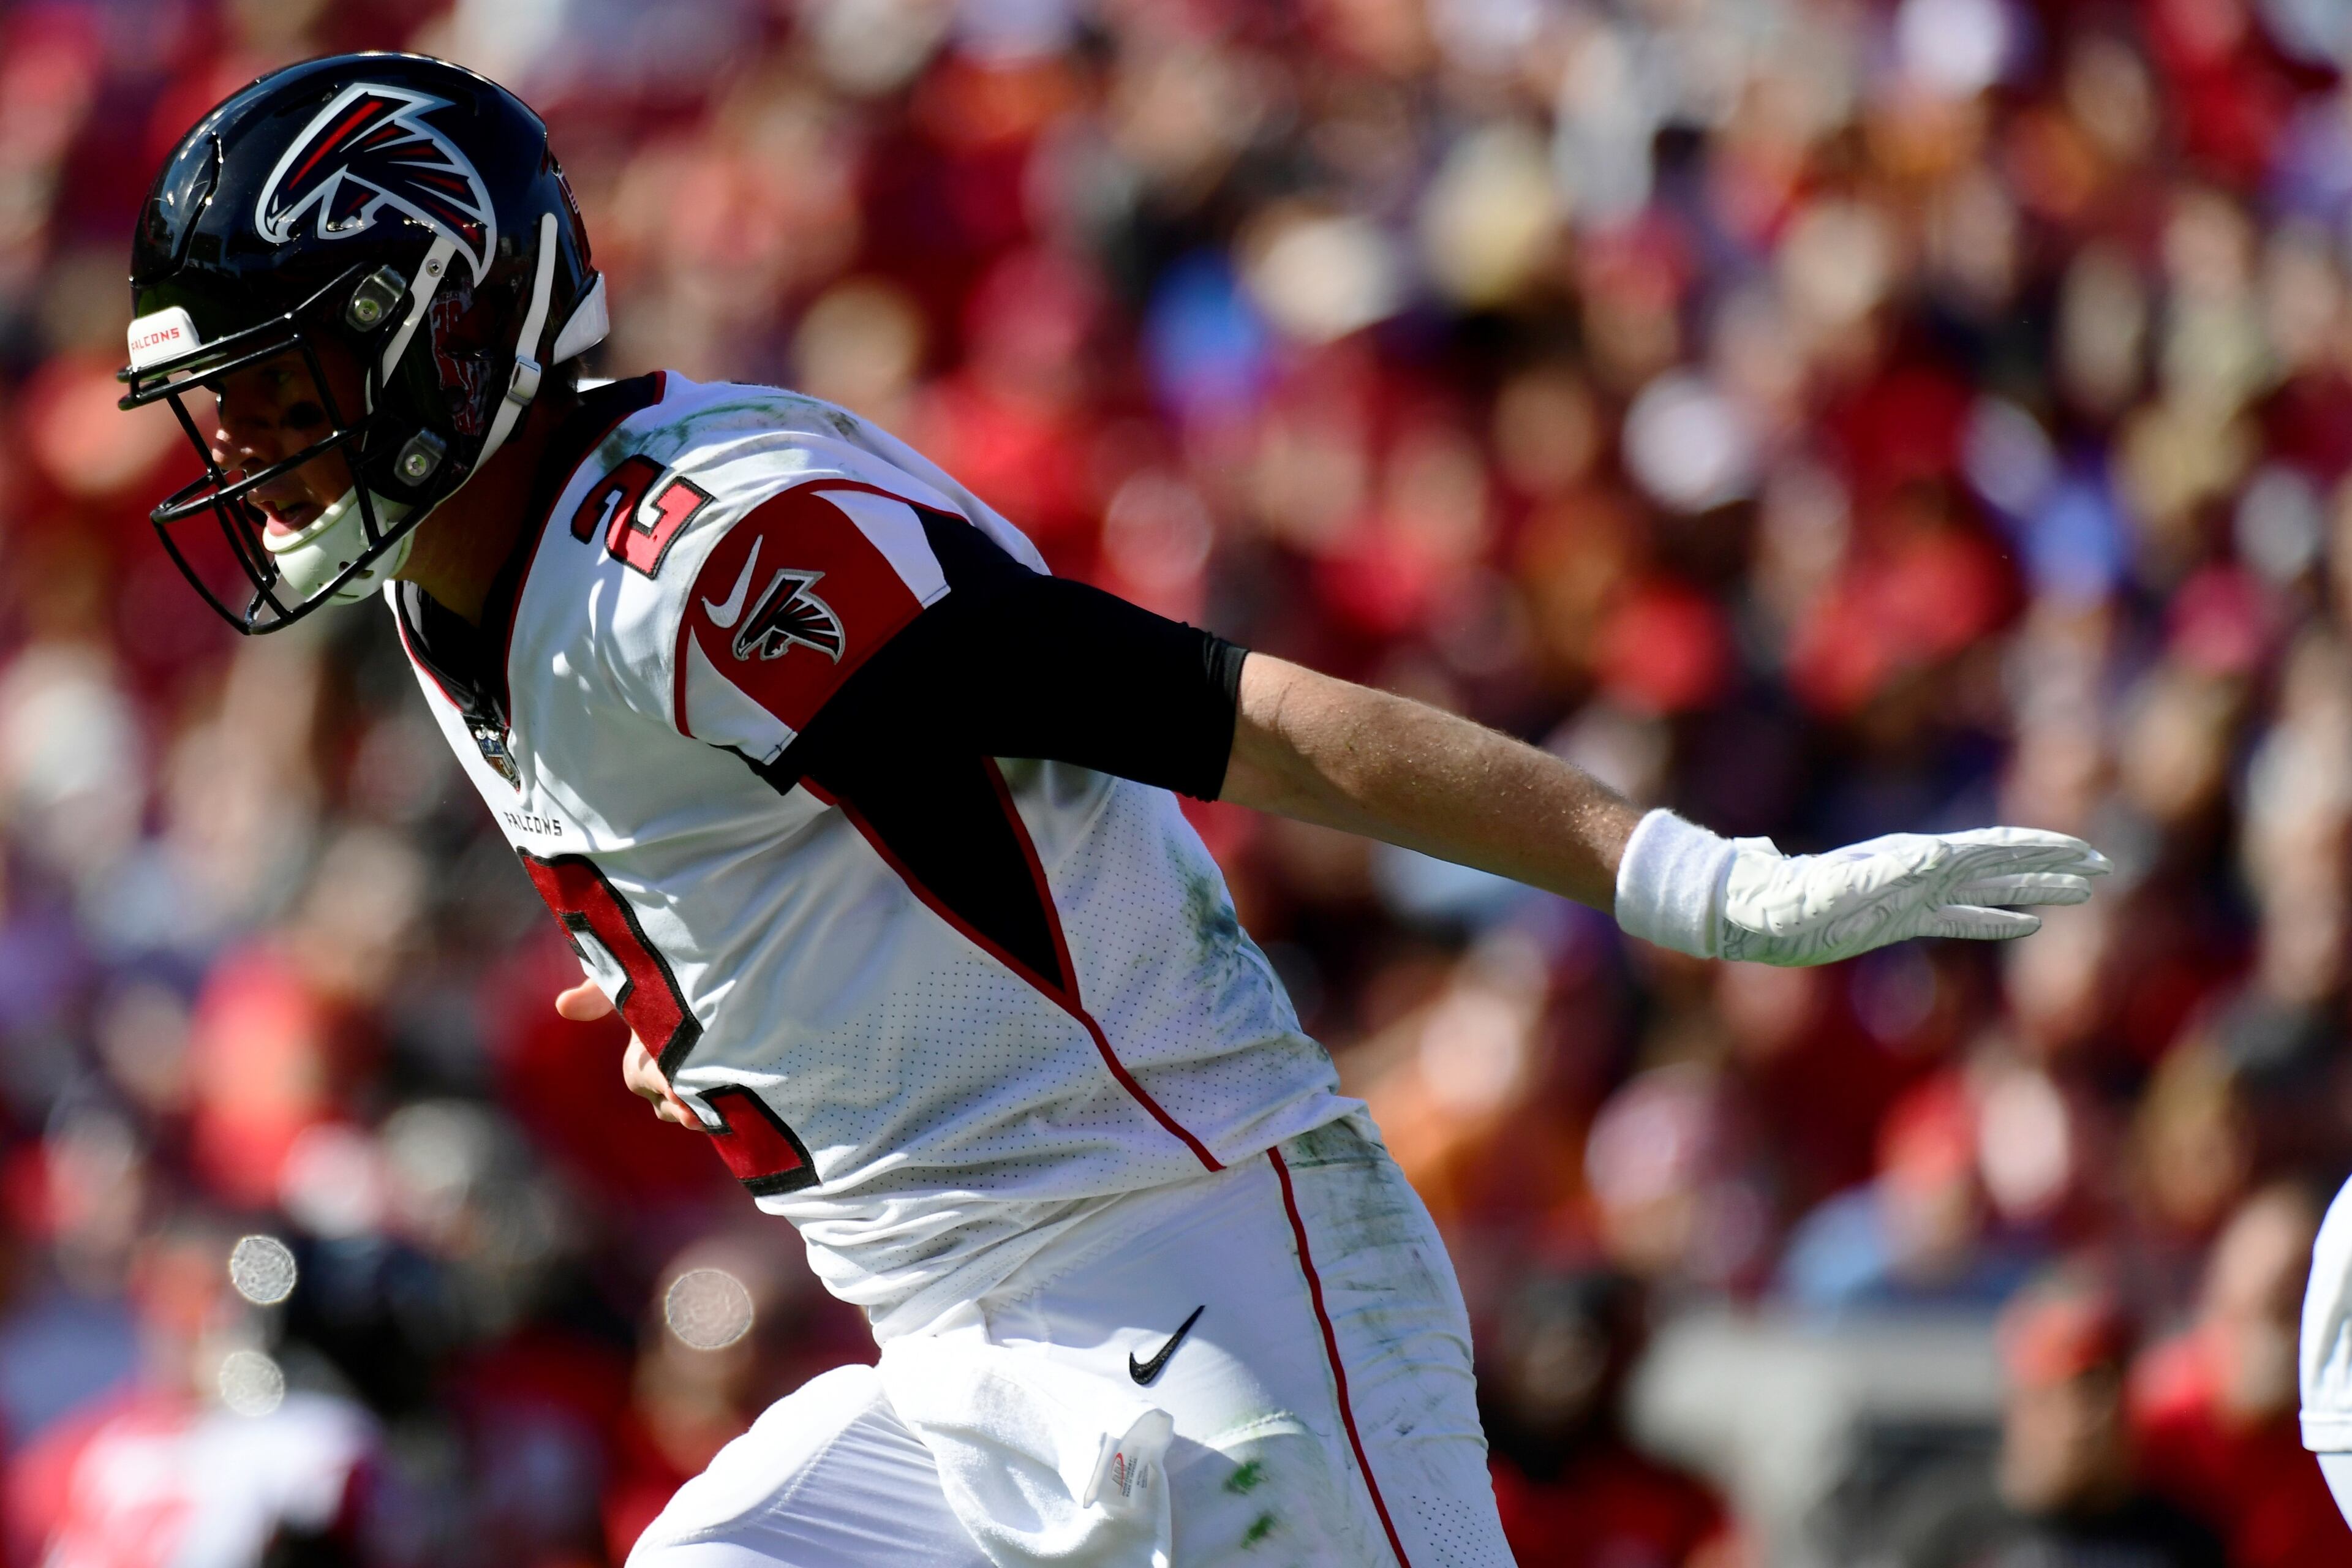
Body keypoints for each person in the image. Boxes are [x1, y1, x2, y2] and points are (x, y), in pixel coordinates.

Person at [118, 53, 2109, 1568]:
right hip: (953, 1340)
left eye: (298, 390)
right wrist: (721, 1019)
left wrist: (1688, 876)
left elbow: (1236, 718)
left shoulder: (702, 563)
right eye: (235, 411)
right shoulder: (455, 588)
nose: (262, 461)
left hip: (1204, 1273)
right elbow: (806, 868)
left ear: (455, 327)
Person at [1878, 1275, 2225, 1568]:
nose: (2087, 1419)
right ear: (2018, 1399)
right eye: (2065, 1392)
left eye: (2106, 1393)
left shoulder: (2179, 1541)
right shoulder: (1946, 1526)